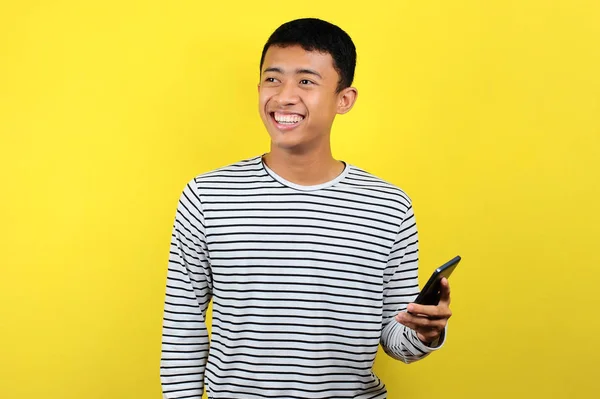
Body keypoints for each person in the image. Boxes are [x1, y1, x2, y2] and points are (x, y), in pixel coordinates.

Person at [160, 17, 452, 399]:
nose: (283, 96)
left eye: (306, 81)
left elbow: (396, 340)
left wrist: (425, 332)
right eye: (272, 79)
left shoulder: (388, 206)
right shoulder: (207, 195)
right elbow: (183, 325)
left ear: (343, 99)